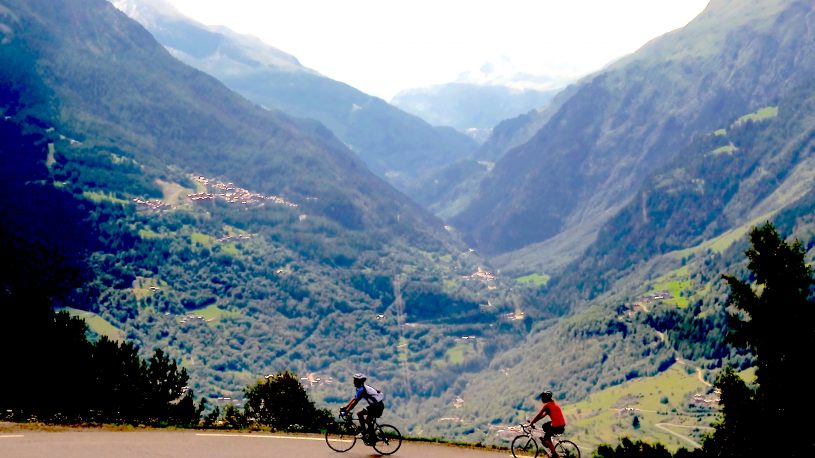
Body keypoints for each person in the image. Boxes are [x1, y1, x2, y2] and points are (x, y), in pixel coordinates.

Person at [341, 373, 385, 444]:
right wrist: (346, 407)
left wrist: (346, 411)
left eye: (355, 380)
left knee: (363, 417)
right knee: (362, 415)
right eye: (354, 380)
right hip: (375, 406)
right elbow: (354, 399)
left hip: (377, 407)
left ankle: (366, 434)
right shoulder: (361, 388)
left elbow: (354, 403)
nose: (353, 382)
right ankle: (371, 436)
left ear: (359, 382)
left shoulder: (361, 390)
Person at [528, 390, 566, 458]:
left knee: (546, 438)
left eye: (542, 397)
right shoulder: (553, 404)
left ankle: (555, 455)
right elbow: (541, 416)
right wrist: (533, 421)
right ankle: (550, 446)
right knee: (545, 426)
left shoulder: (547, 405)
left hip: (557, 427)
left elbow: (539, 415)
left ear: (546, 398)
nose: (541, 399)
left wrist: (531, 423)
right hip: (561, 426)